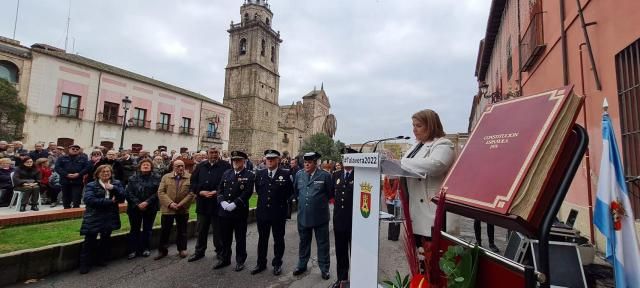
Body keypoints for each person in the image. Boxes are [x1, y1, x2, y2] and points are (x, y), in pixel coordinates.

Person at [400, 109, 459, 250]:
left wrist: (400, 163)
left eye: (418, 126)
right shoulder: (415, 146)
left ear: (431, 125)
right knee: (419, 262)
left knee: (432, 260)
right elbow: (404, 166)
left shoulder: (443, 144)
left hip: (433, 213)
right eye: (413, 125)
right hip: (415, 212)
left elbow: (435, 165)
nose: (414, 130)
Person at [251, 149, 293, 276]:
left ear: (278, 160)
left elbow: (290, 193)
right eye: (268, 158)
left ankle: (277, 264)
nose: (269, 161)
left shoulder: (285, 174)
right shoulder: (260, 173)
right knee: (262, 239)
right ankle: (261, 263)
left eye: (272, 158)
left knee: (278, 240)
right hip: (263, 212)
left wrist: (280, 203)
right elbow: (259, 190)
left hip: (278, 213)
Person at [292, 152, 333, 280]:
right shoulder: (299, 175)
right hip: (303, 216)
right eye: (305, 162)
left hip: (320, 217)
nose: (306, 164)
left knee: (323, 244)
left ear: (315, 163)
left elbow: (330, 193)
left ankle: (324, 268)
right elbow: (296, 191)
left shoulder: (325, 176)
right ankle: (302, 265)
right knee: (304, 242)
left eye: (309, 162)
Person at [78, 164, 125, 274]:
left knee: (105, 239)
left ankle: (101, 259)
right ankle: (85, 264)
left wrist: (113, 188)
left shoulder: (116, 183)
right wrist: (110, 202)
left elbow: (122, 197)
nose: (106, 173)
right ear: (98, 174)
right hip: (94, 216)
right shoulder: (91, 185)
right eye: (103, 171)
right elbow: (89, 200)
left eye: (108, 171)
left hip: (109, 216)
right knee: (89, 240)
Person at [213, 151, 255, 271]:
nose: (236, 162)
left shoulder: (249, 175)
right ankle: (225, 259)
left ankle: (240, 260)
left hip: (239, 212)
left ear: (244, 161)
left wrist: (235, 204)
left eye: (238, 160)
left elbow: (247, 192)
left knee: (240, 237)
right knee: (225, 237)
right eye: (234, 160)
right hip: (224, 211)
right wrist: (222, 202)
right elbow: (220, 188)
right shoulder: (227, 173)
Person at [188, 147, 231, 263]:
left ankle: (220, 252)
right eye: (211, 153)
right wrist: (199, 191)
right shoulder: (200, 166)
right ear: (207, 154)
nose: (214, 155)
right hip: (203, 203)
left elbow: (229, 183)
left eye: (216, 152)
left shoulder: (226, 166)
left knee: (218, 231)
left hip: (218, 203)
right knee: (201, 229)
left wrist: (217, 192)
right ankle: (199, 252)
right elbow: (193, 182)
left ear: (219, 154)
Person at [155, 160, 194, 260]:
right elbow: (160, 192)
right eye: (178, 166)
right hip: (168, 209)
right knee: (165, 230)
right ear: (173, 167)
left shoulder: (190, 177)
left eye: (182, 166)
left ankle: (182, 249)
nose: (180, 168)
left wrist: (180, 204)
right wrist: (170, 203)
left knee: (182, 230)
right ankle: (162, 250)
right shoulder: (166, 177)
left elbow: (192, 193)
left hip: (182, 209)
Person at [125, 159, 161, 260]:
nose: (145, 166)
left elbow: (158, 192)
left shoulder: (157, 178)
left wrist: (147, 202)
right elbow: (129, 193)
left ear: (151, 167)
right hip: (134, 208)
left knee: (147, 229)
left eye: (148, 165)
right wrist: (138, 203)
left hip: (150, 207)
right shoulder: (133, 178)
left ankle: (146, 248)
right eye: (144, 165)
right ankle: (133, 250)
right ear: (140, 166)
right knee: (134, 229)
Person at [330, 162, 354, 287]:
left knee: (355, 252)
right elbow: (330, 194)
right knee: (341, 252)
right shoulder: (336, 175)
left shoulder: (359, 174)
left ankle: (357, 280)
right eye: (345, 158)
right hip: (339, 220)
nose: (346, 161)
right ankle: (341, 280)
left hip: (354, 221)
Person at [55, 144, 91, 208]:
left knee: (77, 197)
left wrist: (79, 174)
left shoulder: (83, 158)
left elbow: (87, 168)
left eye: (77, 149)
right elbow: (57, 168)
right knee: (66, 197)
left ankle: (75, 212)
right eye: (73, 149)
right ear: (69, 149)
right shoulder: (62, 158)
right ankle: (66, 211)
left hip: (78, 181)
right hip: (65, 180)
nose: (75, 150)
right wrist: (66, 174)